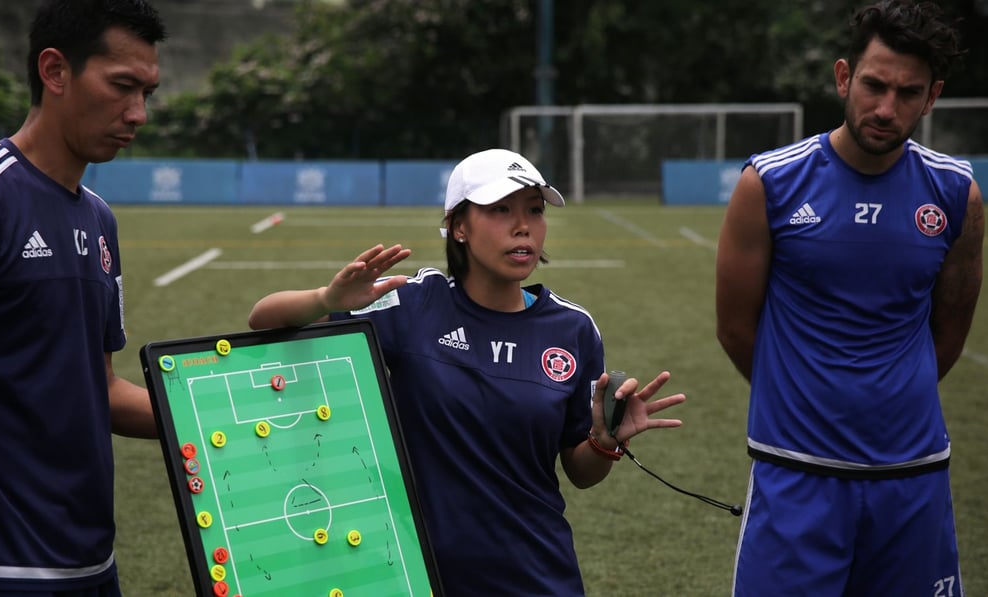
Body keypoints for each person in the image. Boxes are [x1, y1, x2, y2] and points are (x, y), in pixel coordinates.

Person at [248, 148, 687, 595]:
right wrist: (327, 299)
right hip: (420, 573)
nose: (523, 226)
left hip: (537, 572)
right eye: (500, 210)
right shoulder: (415, 304)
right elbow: (262, 320)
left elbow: (580, 470)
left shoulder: (573, 330)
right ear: (459, 226)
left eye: (534, 210)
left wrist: (605, 442)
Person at [715, 1, 984, 595]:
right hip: (795, 471)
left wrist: (888, 398)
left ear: (932, 96)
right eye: (874, 85)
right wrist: (803, 399)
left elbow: (950, 331)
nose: (887, 108)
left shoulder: (955, 194)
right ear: (844, 77)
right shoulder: (770, 183)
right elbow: (735, 328)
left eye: (908, 93)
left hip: (912, 476)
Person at [0, 0, 167, 594]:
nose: (137, 113)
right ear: (55, 72)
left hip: (89, 562)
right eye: (122, 87)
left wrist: (219, 411)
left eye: (147, 93)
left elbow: (100, 389)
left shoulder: (100, 220)